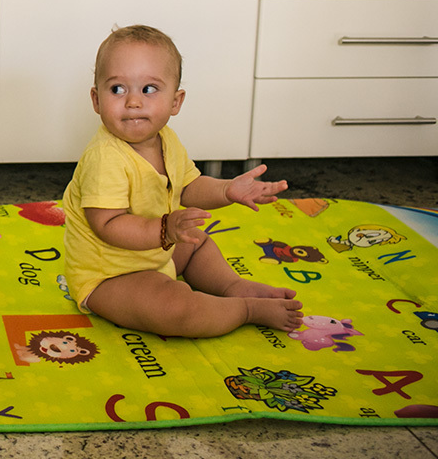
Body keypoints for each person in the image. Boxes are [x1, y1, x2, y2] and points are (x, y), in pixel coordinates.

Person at [61, 25, 303, 338]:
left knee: (196, 243)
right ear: (96, 99)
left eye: (148, 89)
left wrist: (227, 189)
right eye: (118, 89)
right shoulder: (104, 157)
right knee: (175, 309)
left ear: (176, 102)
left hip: (155, 251)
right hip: (109, 274)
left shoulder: (167, 140)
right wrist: (164, 229)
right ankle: (246, 310)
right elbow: (106, 223)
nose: (133, 102)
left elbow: (189, 186)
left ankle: (232, 286)